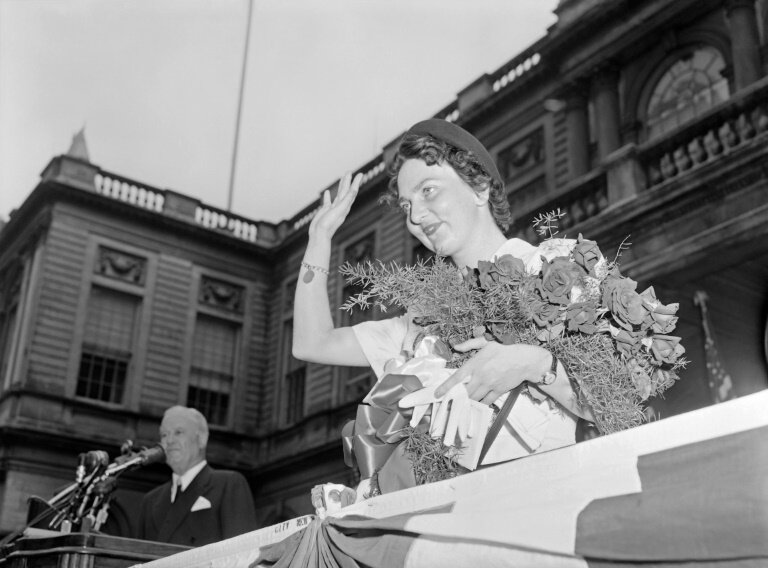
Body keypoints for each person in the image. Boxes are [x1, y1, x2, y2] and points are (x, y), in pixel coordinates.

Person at [293, 119, 594, 493]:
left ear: (479, 187)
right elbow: (311, 343)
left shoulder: (555, 271)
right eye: (407, 205)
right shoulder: (420, 322)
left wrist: (531, 364)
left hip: (546, 505)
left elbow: (618, 402)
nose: (415, 217)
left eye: (429, 191)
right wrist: (319, 240)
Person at [136, 406, 257, 547]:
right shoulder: (150, 501)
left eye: (178, 432)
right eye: (164, 435)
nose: (169, 441)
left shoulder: (229, 485)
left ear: (202, 439)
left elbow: (243, 553)